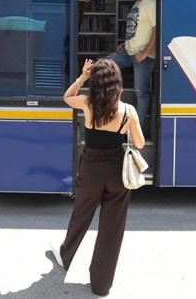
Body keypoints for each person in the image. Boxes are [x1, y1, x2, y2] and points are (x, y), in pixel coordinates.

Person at [51, 57, 145, 297]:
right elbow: (141, 143)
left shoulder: (87, 102)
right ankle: (101, 285)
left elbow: (66, 97)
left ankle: (65, 256)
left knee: (81, 215)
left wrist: (82, 76)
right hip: (116, 171)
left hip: (91, 168)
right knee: (112, 229)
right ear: (117, 83)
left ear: (96, 82)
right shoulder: (128, 111)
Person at [109, 0, 156, 135]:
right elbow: (137, 28)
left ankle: (137, 132)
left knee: (140, 93)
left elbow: (158, 31)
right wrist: (126, 42)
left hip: (143, 56)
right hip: (129, 52)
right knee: (103, 66)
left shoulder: (152, 3)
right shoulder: (139, 2)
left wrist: (145, 53)